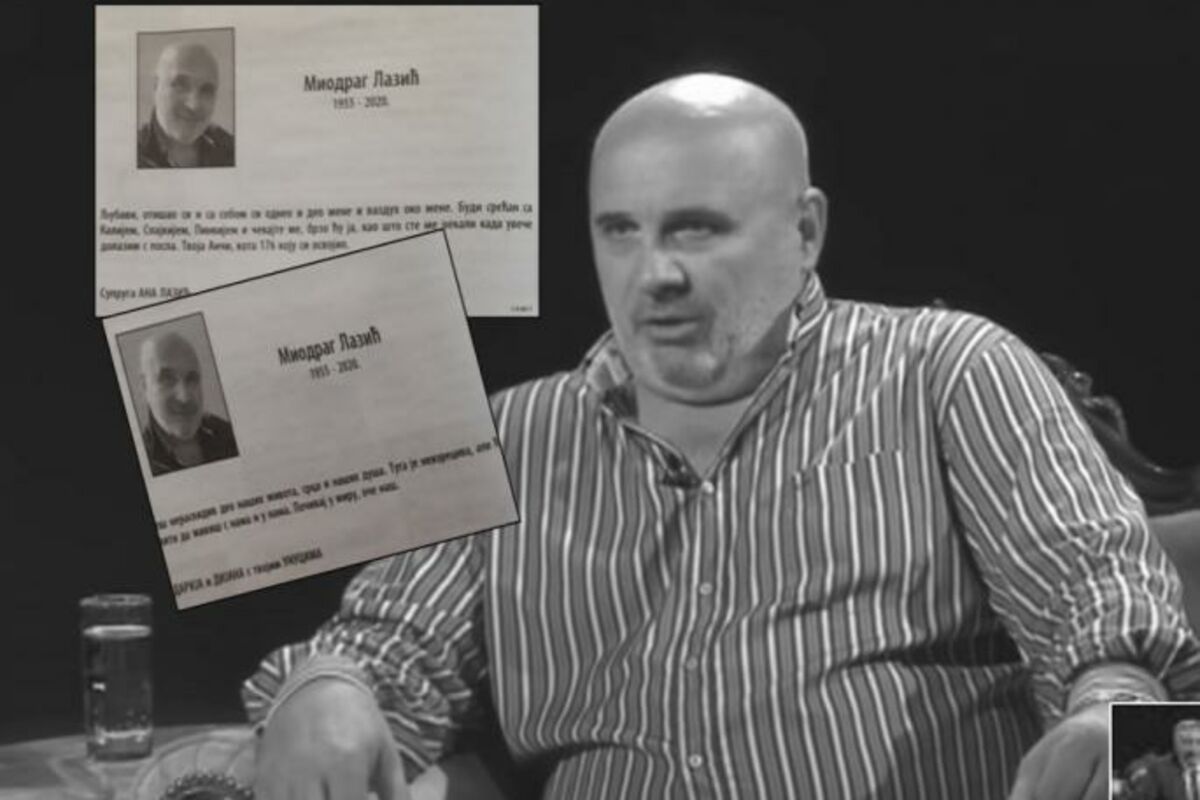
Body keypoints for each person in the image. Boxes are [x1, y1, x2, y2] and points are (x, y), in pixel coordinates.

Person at [242, 73, 1200, 799]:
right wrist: (328, 689)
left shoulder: (946, 371)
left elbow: (1102, 602)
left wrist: (1112, 714)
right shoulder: (509, 433)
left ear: (806, 230)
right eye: (620, 231)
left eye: (695, 230)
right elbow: (392, 649)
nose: (653, 273)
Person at [139, 330, 237, 476]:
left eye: (192, 379)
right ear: (144, 387)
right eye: (167, 379)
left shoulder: (229, 435)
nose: (184, 397)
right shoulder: (142, 460)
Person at [137, 41, 234, 168]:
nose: (193, 105)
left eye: (206, 90)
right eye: (180, 85)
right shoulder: (129, 154)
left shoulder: (232, 150)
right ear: (155, 86)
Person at [1121, 719, 1200, 799]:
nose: (1194, 749)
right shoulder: (1159, 771)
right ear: (1176, 745)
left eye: (1198, 742)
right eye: (1187, 743)